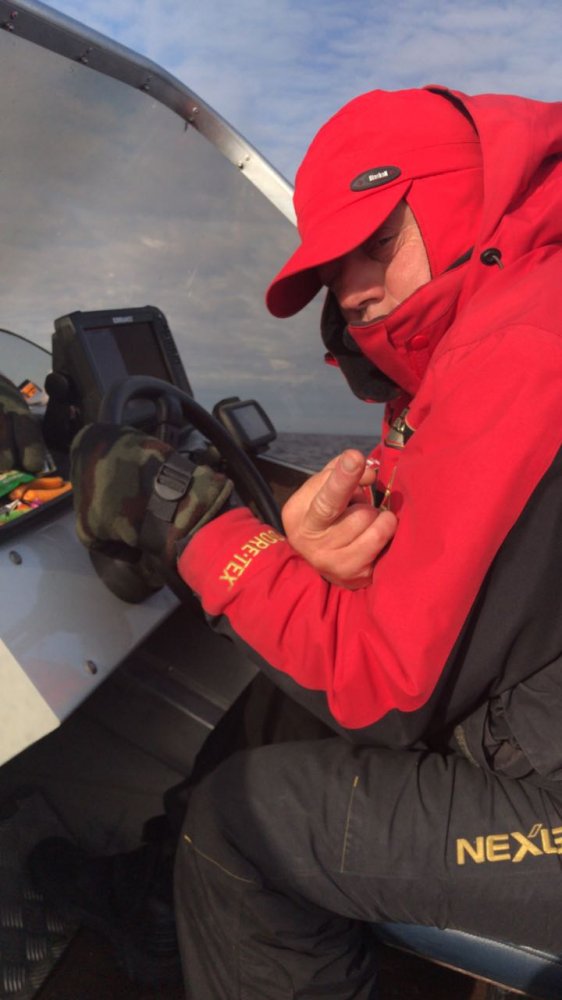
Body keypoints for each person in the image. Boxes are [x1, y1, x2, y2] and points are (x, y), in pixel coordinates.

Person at [37, 85, 562, 998]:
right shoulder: (486, 330)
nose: (354, 291)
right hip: (527, 718)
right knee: (280, 703)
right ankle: (157, 905)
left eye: (378, 242)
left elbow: (385, 688)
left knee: (245, 827)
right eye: (333, 271)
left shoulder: (523, 347)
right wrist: (303, 557)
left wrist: (186, 523)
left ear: (461, 194)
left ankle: (185, 901)